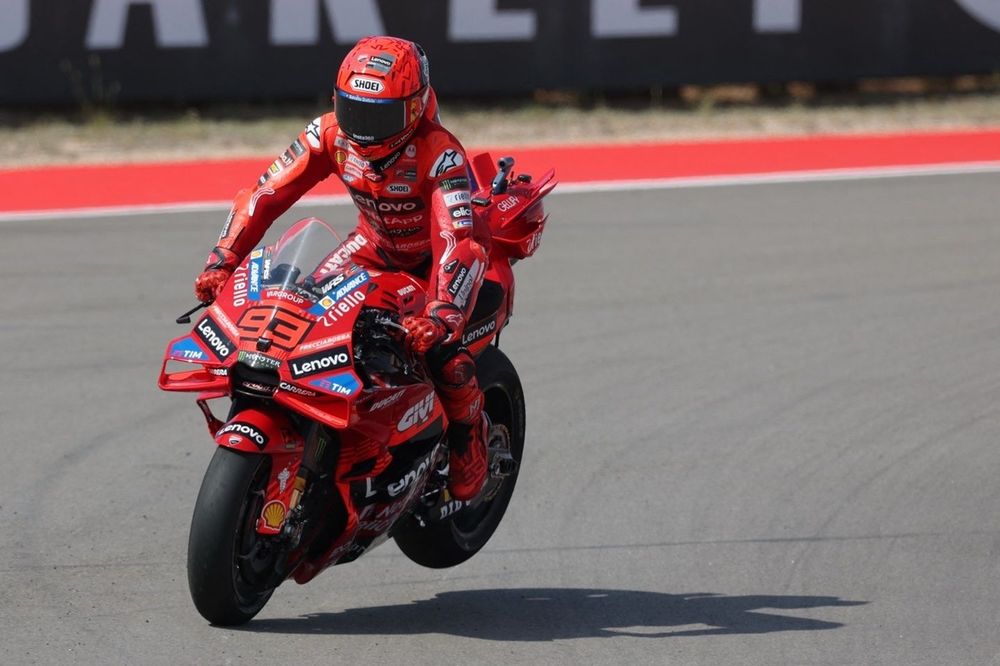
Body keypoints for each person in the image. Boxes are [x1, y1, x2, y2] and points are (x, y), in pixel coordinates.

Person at [193, 35, 489, 501]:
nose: (366, 130)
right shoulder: (328, 133)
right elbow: (264, 194)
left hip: (433, 264)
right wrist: (223, 258)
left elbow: (457, 238)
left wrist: (442, 312)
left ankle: (469, 441)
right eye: (355, 111)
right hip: (371, 247)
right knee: (300, 301)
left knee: (443, 356)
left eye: (381, 116)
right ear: (336, 102)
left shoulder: (440, 152)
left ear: (414, 110)